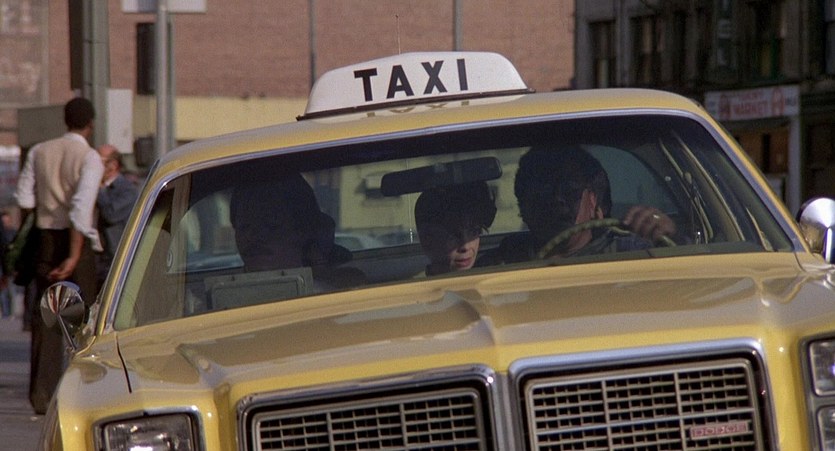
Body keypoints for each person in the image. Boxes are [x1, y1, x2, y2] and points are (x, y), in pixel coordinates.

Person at [14, 97, 104, 414]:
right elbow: (81, 210)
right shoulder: (89, 158)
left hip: (45, 238)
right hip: (76, 242)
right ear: (90, 124)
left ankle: (42, 393)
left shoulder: (40, 151)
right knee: (85, 319)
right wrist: (74, 256)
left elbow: (24, 197)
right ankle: (87, 389)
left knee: (46, 318)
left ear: (65, 121)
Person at [502, 146, 672, 262]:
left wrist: (664, 233)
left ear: (593, 202)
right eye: (543, 191)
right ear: (523, 207)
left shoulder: (632, 252)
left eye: (569, 190)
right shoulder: (505, 259)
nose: (557, 199)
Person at [229, 172, 364, 288]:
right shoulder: (223, 297)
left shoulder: (344, 291)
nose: (253, 237)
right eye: (244, 227)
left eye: (271, 226)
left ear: (302, 231)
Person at [414, 182, 497, 276]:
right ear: (427, 240)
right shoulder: (413, 285)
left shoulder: (493, 278)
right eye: (453, 235)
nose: (465, 246)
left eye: (473, 231)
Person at [96, 144, 139, 288]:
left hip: (114, 258)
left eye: (98, 161)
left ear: (113, 165)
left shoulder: (128, 189)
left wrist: (100, 190)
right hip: (98, 258)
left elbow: (111, 214)